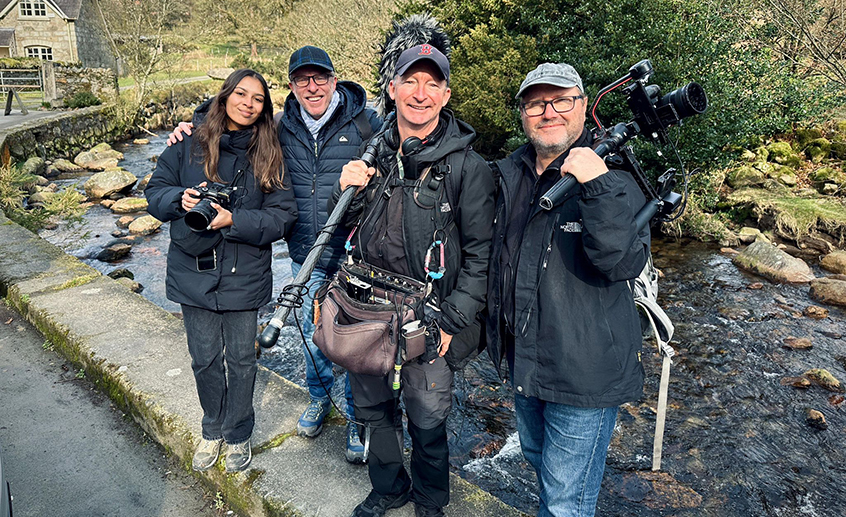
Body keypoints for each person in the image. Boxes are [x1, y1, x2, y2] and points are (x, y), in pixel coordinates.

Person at [167, 46, 381, 464]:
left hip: (356, 252)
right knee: (314, 338)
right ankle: (320, 399)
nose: (313, 86)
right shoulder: (280, 128)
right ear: (292, 87)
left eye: (321, 78)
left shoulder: (365, 122)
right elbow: (232, 122)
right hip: (305, 254)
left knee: (358, 343)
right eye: (303, 79)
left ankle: (358, 416)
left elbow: (398, 148)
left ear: (335, 80)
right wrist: (189, 125)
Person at [334, 44, 495, 517]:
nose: (420, 93)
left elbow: (482, 257)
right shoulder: (372, 154)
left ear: (446, 95)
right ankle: (389, 488)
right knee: (373, 413)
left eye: (432, 83)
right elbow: (339, 227)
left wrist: (452, 319)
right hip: (366, 310)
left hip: (429, 321)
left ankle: (429, 500)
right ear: (392, 89)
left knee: (428, 419)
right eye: (410, 81)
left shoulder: (469, 168)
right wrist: (346, 190)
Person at [485, 62, 651, 517]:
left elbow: (622, 262)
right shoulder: (508, 174)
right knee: (544, 473)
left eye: (561, 100)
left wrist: (595, 184)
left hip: (584, 374)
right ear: (523, 113)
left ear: (581, 107)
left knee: (565, 503)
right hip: (525, 363)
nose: (548, 111)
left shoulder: (615, 178)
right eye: (536, 102)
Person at [145, 69, 297, 473]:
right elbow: (154, 194)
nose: (248, 103)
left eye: (258, 99)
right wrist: (181, 198)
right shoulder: (187, 144)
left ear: (265, 109)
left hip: (243, 274)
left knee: (243, 360)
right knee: (204, 359)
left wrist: (235, 220)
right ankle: (212, 427)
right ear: (226, 95)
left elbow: (284, 216)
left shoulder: (269, 151)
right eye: (241, 94)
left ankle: (239, 432)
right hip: (193, 271)